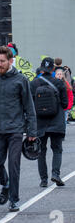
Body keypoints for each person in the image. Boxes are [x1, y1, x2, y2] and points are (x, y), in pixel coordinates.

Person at [0, 46, 37, 212]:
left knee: (14, 165)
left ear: (11, 61)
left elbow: (29, 107)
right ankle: (5, 183)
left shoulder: (21, 80)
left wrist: (32, 132)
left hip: (15, 130)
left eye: (2, 61)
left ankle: (14, 199)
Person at [30, 57, 68, 187]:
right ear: (53, 68)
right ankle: (55, 174)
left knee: (41, 151)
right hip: (56, 122)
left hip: (40, 122)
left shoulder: (34, 83)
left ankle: (43, 180)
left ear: (41, 68)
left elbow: (29, 105)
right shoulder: (58, 83)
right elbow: (65, 104)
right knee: (57, 149)